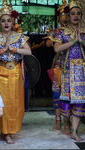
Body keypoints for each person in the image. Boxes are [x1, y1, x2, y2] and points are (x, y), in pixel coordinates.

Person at [0, 0, 31, 144]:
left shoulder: (19, 37)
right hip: (0, 71)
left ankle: (9, 131)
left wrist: (14, 49)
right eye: (3, 20)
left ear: (13, 22)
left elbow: (28, 51)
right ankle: (4, 131)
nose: (6, 23)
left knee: (15, 102)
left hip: (16, 71)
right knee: (1, 102)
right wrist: (4, 49)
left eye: (9, 21)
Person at [54, 0, 85, 142]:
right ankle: (66, 124)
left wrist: (81, 41)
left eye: (78, 13)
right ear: (68, 15)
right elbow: (56, 48)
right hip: (67, 70)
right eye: (73, 13)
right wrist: (74, 41)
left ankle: (74, 131)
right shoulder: (62, 32)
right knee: (65, 100)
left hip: (80, 71)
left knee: (79, 100)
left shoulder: (84, 31)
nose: (76, 16)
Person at [43, 0, 69, 131]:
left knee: (69, 94)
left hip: (71, 66)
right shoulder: (56, 31)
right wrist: (57, 40)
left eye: (66, 16)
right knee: (56, 94)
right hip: (58, 66)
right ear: (59, 19)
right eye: (62, 17)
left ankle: (68, 124)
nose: (64, 19)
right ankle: (58, 122)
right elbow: (48, 44)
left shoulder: (73, 32)